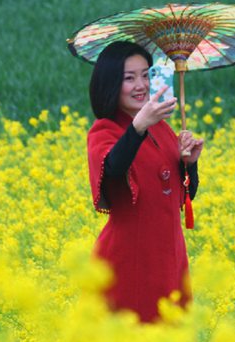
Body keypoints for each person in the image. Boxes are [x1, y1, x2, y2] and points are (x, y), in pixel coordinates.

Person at [86, 41, 203, 323]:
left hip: (168, 257)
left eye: (146, 75)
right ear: (111, 83)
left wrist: (190, 163)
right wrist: (139, 125)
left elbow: (180, 196)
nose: (141, 85)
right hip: (129, 260)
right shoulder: (104, 131)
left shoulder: (162, 129)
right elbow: (113, 171)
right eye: (129, 78)